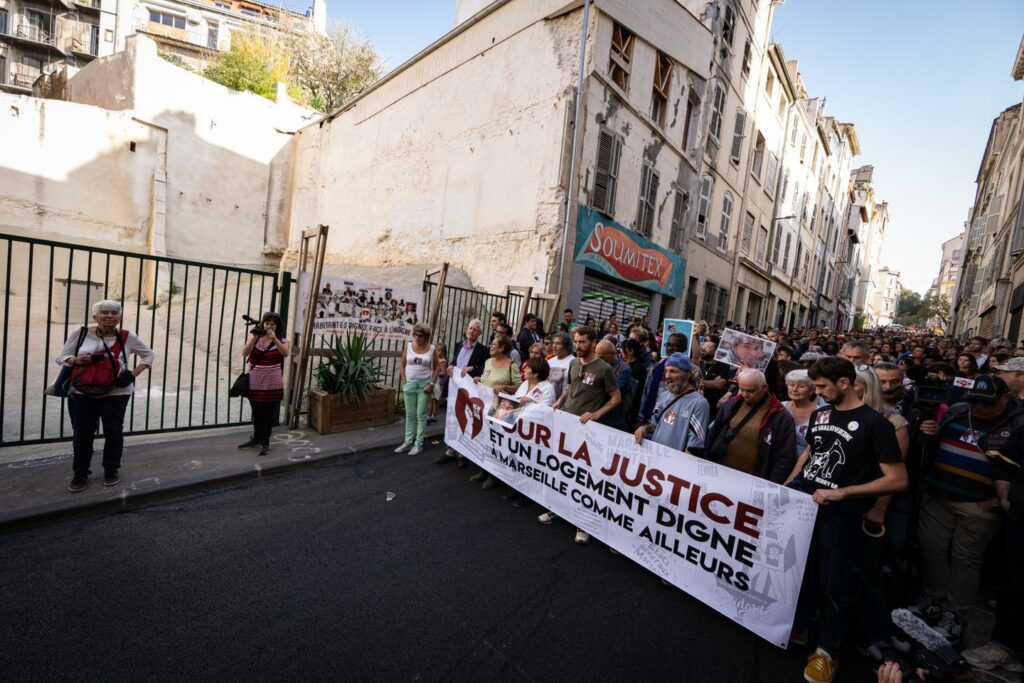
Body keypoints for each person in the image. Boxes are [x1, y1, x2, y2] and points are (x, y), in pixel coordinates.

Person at [785, 356, 907, 683]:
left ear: (844, 383)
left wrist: (843, 493)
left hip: (842, 518)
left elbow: (897, 479)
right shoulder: (821, 413)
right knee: (802, 574)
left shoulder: (875, 424)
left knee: (838, 586)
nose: (819, 392)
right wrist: (788, 484)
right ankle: (798, 628)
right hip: (805, 508)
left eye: (823, 387)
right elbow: (810, 453)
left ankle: (827, 652)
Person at [916, 375, 1024, 611]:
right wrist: (928, 435)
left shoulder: (1019, 424)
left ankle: (954, 612)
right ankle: (932, 600)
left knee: (965, 560)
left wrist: (998, 500)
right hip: (938, 499)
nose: (980, 408)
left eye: (988, 403)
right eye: (975, 402)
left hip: (980, 506)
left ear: (1006, 398)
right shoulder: (957, 411)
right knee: (931, 550)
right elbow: (931, 449)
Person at [57, 300, 156, 492]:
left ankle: (111, 470)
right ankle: (80, 473)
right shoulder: (81, 334)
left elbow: (149, 355)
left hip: (116, 393)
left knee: (113, 432)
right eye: (104, 312)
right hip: (82, 392)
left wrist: (132, 374)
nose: (109, 316)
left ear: (119, 317)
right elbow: (61, 357)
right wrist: (76, 360)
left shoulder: (127, 337)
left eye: (114, 313)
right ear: (95, 317)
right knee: (82, 435)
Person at [540, 326, 621, 544]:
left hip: (588, 432)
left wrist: (596, 414)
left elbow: (616, 398)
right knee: (562, 471)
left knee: (583, 478)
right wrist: (559, 401)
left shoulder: (604, 369)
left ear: (593, 343)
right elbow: (570, 387)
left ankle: (583, 524)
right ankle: (556, 509)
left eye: (582, 342)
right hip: (567, 425)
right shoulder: (574, 363)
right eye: (576, 342)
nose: (578, 346)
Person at [960, 420, 1024, 672]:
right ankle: (1007, 647)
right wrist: (1006, 497)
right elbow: (1005, 465)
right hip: (1020, 521)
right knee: (1016, 583)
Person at [706, 369, 797, 483]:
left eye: (750, 391)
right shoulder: (731, 404)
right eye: (741, 389)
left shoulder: (780, 416)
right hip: (718, 473)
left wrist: (771, 485)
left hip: (751, 482)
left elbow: (784, 457)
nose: (744, 394)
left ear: (764, 387)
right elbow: (713, 433)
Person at [435, 319, 489, 466]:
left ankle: (462, 454)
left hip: (469, 391)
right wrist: (451, 365)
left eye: (475, 329)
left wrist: (473, 368)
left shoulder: (483, 350)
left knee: (465, 420)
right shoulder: (459, 344)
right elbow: (454, 361)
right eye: (470, 328)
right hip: (454, 388)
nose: (471, 331)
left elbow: (484, 371)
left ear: (479, 333)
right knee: (452, 419)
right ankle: (450, 450)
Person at [469, 334, 520, 490]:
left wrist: (504, 387)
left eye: (493, 345)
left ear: (502, 348)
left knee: (497, 442)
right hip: (485, 407)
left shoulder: (511, 365)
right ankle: (484, 469)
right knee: (485, 439)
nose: (490, 346)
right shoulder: (488, 362)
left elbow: (519, 387)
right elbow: (486, 379)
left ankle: (494, 474)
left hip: (502, 409)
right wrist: (479, 378)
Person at [634, 354, 708, 455]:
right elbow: (655, 424)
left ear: (687, 374)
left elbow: (693, 446)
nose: (667, 376)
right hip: (653, 457)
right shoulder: (664, 395)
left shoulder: (699, 403)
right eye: (666, 371)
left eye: (673, 371)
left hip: (673, 466)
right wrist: (644, 428)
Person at [238, 311, 290, 456]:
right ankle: (256, 438)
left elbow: (285, 353)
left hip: (272, 381)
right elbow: (244, 353)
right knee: (257, 411)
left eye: (272, 324)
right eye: (267, 323)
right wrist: (253, 339)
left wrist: (275, 340)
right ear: (263, 323)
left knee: (268, 413)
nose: (269, 326)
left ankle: (265, 441)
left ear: (277, 326)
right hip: (255, 380)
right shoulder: (255, 338)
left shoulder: (283, 340)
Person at [395, 324, 437, 457]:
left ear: (426, 337)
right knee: (410, 414)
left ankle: (418, 443)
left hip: (424, 386)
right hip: (410, 385)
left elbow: (436, 368)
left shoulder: (431, 349)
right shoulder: (408, 346)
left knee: (421, 414)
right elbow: (402, 364)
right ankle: (408, 442)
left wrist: (431, 383)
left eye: (421, 336)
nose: (417, 338)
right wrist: (404, 381)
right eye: (416, 335)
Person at [637, 332, 687, 425]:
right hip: (647, 418)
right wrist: (641, 416)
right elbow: (646, 391)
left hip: (668, 422)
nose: (670, 348)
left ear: (684, 348)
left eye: (675, 345)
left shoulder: (689, 370)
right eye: (668, 345)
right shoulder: (658, 365)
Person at [784, 369, 824, 455]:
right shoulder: (780, 407)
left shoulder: (821, 415)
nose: (794, 389)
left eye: (801, 386)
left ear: (811, 390)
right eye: (791, 385)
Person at [596, 339, 632, 432]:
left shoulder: (624, 369)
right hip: (597, 411)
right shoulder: (600, 365)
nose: (599, 360)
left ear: (612, 353)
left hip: (613, 417)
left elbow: (614, 391)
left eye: (602, 357)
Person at [698, 339, 737, 410]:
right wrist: (712, 383)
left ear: (715, 351)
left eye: (708, 347)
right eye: (703, 346)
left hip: (713, 405)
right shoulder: (698, 363)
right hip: (697, 403)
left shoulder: (723, 365)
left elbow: (719, 384)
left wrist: (698, 381)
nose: (704, 349)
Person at [620, 338, 648, 429]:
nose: (621, 354)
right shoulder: (638, 366)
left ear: (630, 351)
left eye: (623, 351)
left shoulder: (636, 368)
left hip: (629, 409)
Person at [546, 331, 575, 398]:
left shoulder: (573, 362)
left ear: (567, 346)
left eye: (558, 343)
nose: (554, 346)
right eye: (554, 343)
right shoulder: (550, 361)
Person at [427, 342, 448, 424]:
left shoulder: (442, 361)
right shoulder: (435, 359)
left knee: (434, 399)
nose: (437, 352)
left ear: (443, 352)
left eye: (439, 351)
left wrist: (435, 373)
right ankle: (431, 415)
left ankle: (431, 416)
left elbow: (443, 372)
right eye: (436, 350)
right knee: (432, 399)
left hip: (437, 382)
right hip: (434, 381)